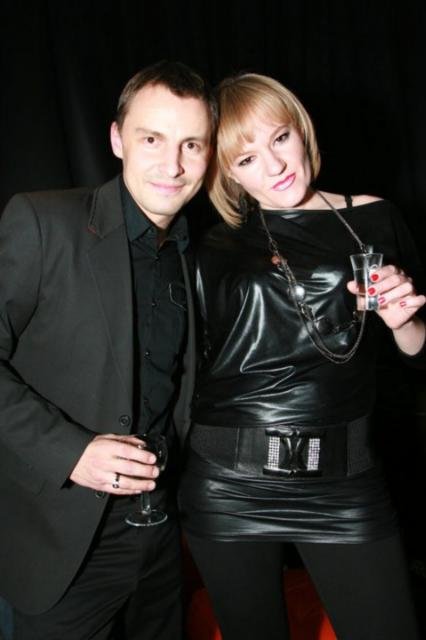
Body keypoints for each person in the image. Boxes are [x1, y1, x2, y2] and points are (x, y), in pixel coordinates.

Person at [179, 72, 426, 640]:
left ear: (301, 130)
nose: (274, 166)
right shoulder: (212, 245)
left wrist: (405, 321)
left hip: (346, 482)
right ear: (227, 173)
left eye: (280, 138)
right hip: (229, 482)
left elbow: (419, 354)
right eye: (246, 159)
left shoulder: (374, 216)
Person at [0, 60, 215, 639]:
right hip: (64, 543)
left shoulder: (195, 251)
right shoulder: (42, 221)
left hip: (161, 537)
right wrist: (71, 451)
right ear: (117, 139)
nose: (172, 165)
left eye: (191, 144)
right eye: (152, 139)